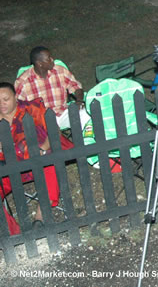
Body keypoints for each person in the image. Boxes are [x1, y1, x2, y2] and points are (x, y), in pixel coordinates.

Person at [0, 82, 62, 231]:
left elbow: (55, 131)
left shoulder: (32, 109)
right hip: (8, 169)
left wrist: (43, 148)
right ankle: (14, 233)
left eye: (6, 99)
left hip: (37, 161)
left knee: (49, 161)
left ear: (15, 97)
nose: (2, 104)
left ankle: (40, 219)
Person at [14, 46, 90, 130]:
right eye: (48, 59)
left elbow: (76, 87)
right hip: (39, 121)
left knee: (85, 115)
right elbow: (17, 106)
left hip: (62, 113)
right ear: (40, 63)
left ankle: (85, 142)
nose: (52, 60)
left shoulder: (60, 71)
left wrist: (79, 101)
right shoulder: (23, 81)